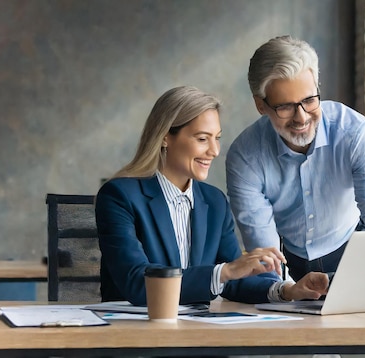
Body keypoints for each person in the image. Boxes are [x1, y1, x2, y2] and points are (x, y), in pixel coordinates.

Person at [95, 85, 329, 306]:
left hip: (198, 338)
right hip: (135, 337)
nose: (215, 151)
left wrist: (287, 290)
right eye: (202, 139)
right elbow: (137, 283)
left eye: (216, 138)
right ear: (166, 137)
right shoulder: (119, 196)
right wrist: (224, 271)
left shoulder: (214, 202)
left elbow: (235, 282)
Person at [226, 35, 365, 282]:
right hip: (288, 262)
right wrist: (283, 292)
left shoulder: (353, 132)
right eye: (285, 107)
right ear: (261, 105)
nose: (301, 117)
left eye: (309, 100)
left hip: (354, 251)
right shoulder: (245, 156)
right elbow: (264, 252)